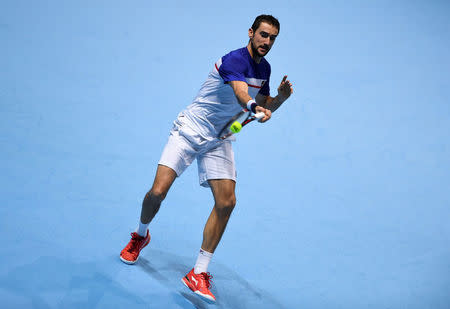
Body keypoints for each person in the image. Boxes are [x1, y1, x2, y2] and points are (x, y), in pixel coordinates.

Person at [120, 14, 293, 302]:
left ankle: (198, 273)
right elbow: (241, 95)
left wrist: (280, 100)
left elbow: (261, 108)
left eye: (273, 37)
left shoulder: (266, 70)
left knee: (227, 202)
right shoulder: (234, 60)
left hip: (220, 138)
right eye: (263, 35)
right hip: (190, 129)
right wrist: (252, 106)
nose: (267, 41)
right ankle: (141, 234)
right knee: (157, 193)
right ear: (251, 33)